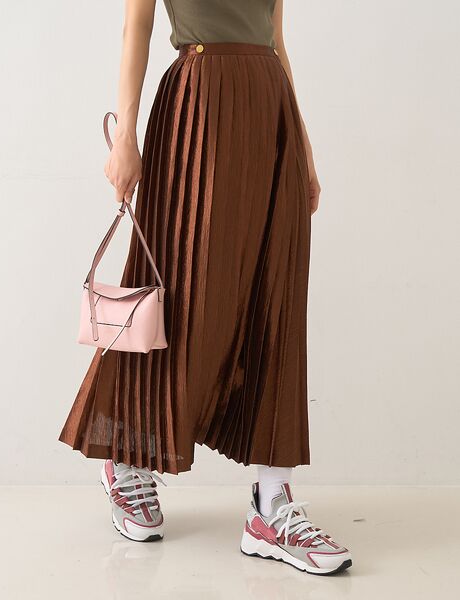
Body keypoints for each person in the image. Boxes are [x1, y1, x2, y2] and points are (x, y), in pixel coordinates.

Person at [59, 0, 352, 575]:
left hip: (270, 112)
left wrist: (304, 145)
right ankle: (127, 456)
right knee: (181, 291)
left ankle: (271, 505)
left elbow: (274, 40)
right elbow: (137, 24)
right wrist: (124, 137)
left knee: (275, 294)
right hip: (199, 106)